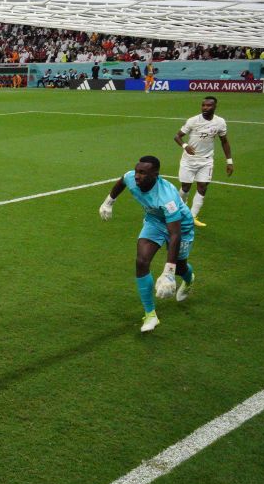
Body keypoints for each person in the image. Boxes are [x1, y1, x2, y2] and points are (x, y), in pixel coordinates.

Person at [99, 155, 196, 333]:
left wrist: (169, 272)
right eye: (137, 171)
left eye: (143, 173)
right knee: (141, 261)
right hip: (154, 222)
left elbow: (175, 235)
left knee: (181, 268)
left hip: (181, 226)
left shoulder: (167, 198)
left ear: (155, 174)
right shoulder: (131, 178)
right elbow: (122, 181)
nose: (137, 176)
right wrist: (109, 202)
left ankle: (189, 280)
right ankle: (150, 314)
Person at [173, 96, 233, 227]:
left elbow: (224, 141)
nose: (205, 108)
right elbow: (177, 136)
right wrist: (185, 146)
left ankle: (192, 216)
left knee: (203, 186)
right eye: (203, 105)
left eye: (209, 105)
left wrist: (229, 161)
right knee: (185, 187)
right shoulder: (193, 121)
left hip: (206, 161)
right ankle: (179, 209)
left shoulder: (220, 122)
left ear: (215, 107)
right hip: (189, 160)